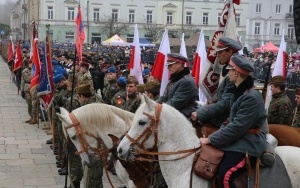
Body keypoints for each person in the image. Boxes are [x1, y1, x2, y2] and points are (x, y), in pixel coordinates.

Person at [200, 54, 267, 188]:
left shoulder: (251, 98)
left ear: (235, 73)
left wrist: (211, 139)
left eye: (230, 70)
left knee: (225, 174)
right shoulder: (240, 93)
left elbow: (237, 127)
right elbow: (230, 120)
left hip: (248, 142)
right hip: (240, 138)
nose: (228, 72)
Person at [191, 37, 242, 127]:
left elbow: (226, 103)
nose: (217, 55)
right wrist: (213, 101)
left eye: (220, 52)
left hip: (231, 118)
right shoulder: (229, 69)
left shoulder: (236, 73)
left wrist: (201, 112)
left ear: (230, 52)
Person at [157, 53, 198, 117]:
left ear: (179, 64)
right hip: (174, 113)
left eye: (170, 65)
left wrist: (157, 108)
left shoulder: (186, 81)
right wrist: (153, 105)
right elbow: (164, 98)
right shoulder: (176, 78)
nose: (168, 67)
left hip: (184, 116)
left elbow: (174, 104)